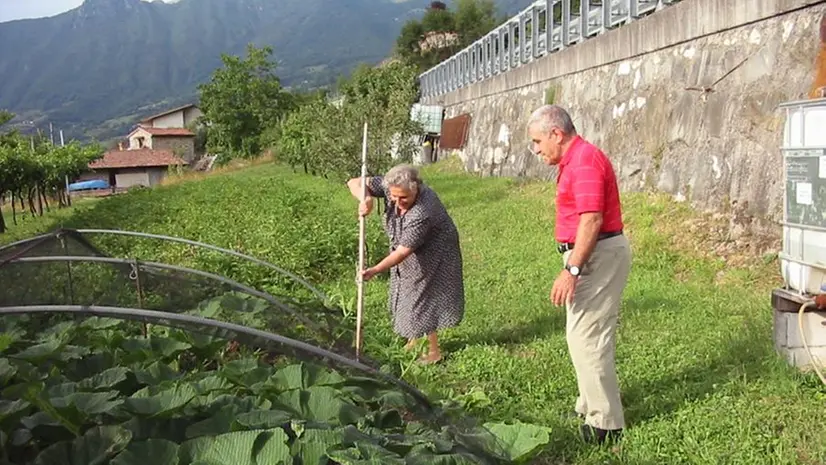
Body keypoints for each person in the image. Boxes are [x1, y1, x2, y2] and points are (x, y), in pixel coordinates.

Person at [527, 104, 633, 445]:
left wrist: (573, 269)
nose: (536, 149)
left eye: (538, 141)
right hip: (589, 254)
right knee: (580, 334)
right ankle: (590, 404)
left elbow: (591, 220)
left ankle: (606, 424)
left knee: (589, 337)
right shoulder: (575, 160)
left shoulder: (585, 161)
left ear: (556, 134)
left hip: (596, 256)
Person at [346, 164, 465, 364]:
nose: (398, 202)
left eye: (404, 198)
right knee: (407, 291)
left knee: (423, 297)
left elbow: (402, 252)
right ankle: (415, 339)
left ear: (416, 188)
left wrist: (375, 270)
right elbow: (353, 182)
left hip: (436, 250)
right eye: (394, 197)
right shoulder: (389, 186)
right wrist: (365, 198)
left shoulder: (423, 211)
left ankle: (433, 352)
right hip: (410, 246)